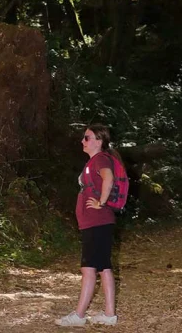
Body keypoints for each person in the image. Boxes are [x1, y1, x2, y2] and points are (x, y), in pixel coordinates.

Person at [56, 124, 119, 327]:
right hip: (96, 223)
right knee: (101, 267)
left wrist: (101, 202)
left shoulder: (100, 159)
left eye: (87, 137)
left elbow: (108, 178)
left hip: (97, 222)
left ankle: (80, 316)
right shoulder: (95, 161)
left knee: (90, 268)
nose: (82, 141)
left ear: (99, 141)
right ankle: (108, 315)